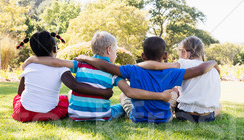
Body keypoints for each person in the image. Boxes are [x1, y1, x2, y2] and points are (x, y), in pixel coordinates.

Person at [22, 31, 172, 121]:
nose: (115, 54)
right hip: (102, 115)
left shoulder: (79, 63)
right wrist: (160, 96)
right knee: (120, 106)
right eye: (115, 51)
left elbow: (56, 62)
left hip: (75, 115)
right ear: (108, 50)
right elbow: (130, 92)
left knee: (69, 93)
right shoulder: (114, 71)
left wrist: (31, 59)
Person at [76, 36, 218, 124]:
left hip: (138, 118)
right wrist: (213, 62)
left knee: (123, 95)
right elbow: (198, 70)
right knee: (174, 91)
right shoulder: (172, 71)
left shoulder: (132, 69)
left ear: (143, 56)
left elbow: (108, 66)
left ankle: (122, 110)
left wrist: (86, 58)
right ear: (165, 55)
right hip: (164, 119)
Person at [12, 30, 113, 122]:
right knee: (64, 99)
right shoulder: (61, 68)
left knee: (17, 98)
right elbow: (75, 86)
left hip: (23, 113)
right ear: (55, 49)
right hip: (47, 113)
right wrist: (102, 92)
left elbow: (20, 92)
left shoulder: (29, 66)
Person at [139, 36, 221, 122]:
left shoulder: (181, 63)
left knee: (175, 89)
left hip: (183, 114)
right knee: (219, 106)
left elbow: (156, 68)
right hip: (206, 117)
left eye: (179, 51)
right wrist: (213, 62)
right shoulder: (213, 69)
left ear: (184, 52)